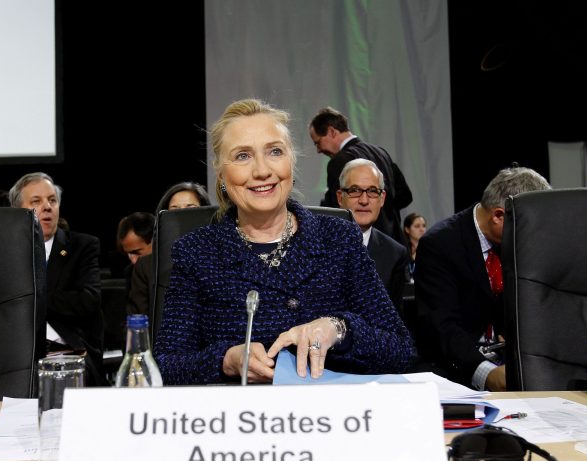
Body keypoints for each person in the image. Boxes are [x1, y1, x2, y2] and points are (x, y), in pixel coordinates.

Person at [154, 98, 416, 385]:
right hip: (242, 421)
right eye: (243, 156)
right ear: (222, 174)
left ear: (291, 160)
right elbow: (167, 365)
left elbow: (400, 350)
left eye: (275, 151)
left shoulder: (339, 239)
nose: (262, 170)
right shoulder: (196, 252)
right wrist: (224, 360)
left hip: (331, 419)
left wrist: (339, 329)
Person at [416, 167, 550, 392]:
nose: (534, 234)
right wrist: (486, 373)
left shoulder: (522, 244)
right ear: (498, 215)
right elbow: (442, 328)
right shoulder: (440, 244)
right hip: (455, 373)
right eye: (529, 226)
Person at [9, 172, 105, 385]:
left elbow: (88, 300)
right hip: (17, 355)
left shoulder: (82, 246)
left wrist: (31, 299)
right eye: (36, 201)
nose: (47, 206)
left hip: (68, 350)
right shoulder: (6, 253)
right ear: (18, 211)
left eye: (52, 200)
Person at [309, 107, 412, 244]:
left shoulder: (339, 161)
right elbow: (404, 196)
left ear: (332, 132)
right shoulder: (381, 153)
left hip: (360, 248)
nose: (318, 150)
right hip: (392, 244)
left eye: (318, 142)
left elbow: (335, 212)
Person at [127, 183, 211, 315]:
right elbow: (138, 320)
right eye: (175, 209)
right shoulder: (145, 267)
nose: (183, 216)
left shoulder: (221, 260)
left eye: (191, 208)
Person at [336, 158, 408, 311]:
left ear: (382, 199)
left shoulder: (395, 254)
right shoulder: (315, 245)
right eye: (355, 190)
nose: (364, 200)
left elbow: (394, 321)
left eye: (372, 191)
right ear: (340, 197)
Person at [403, 212, 427, 281]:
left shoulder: (430, 250)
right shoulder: (402, 251)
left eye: (424, 226)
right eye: (417, 226)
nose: (422, 230)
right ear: (407, 229)